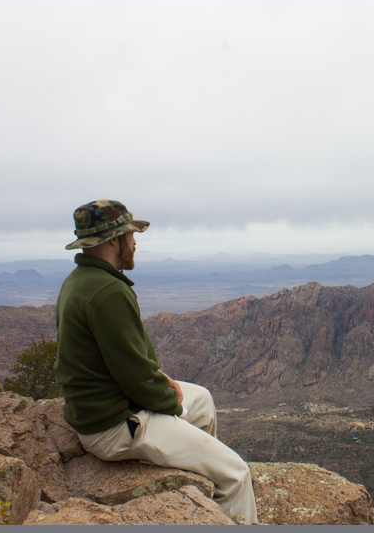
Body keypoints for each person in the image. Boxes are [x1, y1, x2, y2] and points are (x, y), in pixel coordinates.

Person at [54, 199, 257, 524]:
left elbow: (121, 360)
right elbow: (136, 378)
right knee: (236, 474)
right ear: (113, 240)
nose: (135, 242)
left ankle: (200, 487)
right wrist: (174, 408)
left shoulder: (79, 280)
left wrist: (163, 382)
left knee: (202, 399)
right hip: (115, 425)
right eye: (130, 235)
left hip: (105, 410)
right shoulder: (107, 291)